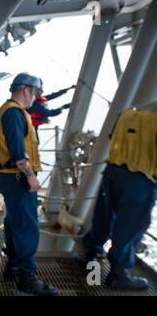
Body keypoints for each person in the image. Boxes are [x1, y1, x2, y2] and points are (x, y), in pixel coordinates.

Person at [0, 73, 58, 296]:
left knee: (13, 222)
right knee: (27, 226)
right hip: (17, 177)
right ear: (26, 90)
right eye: (35, 93)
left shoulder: (6, 110)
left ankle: (13, 265)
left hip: (9, 177)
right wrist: (30, 175)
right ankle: (27, 280)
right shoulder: (14, 113)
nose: (36, 98)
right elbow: (17, 151)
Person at [79, 107, 157, 290]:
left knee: (104, 216)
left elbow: (111, 137)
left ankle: (90, 254)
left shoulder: (128, 113)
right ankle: (118, 274)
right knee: (131, 227)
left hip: (113, 173)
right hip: (140, 179)